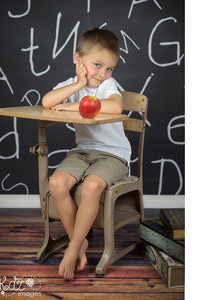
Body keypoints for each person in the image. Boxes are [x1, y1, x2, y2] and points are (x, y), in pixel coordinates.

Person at [42, 27, 131, 280]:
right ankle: (78, 242)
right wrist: (79, 84)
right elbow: (47, 102)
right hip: (83, 152)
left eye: (109, 68)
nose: (103, 74)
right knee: (57, 183)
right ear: (77, 59)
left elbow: (115, 106)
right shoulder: (73, 84)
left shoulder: (106, 85)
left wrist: (73, 107)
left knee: (92, 187)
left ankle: (71, 249)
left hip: (113, 155)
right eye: (97, 65)